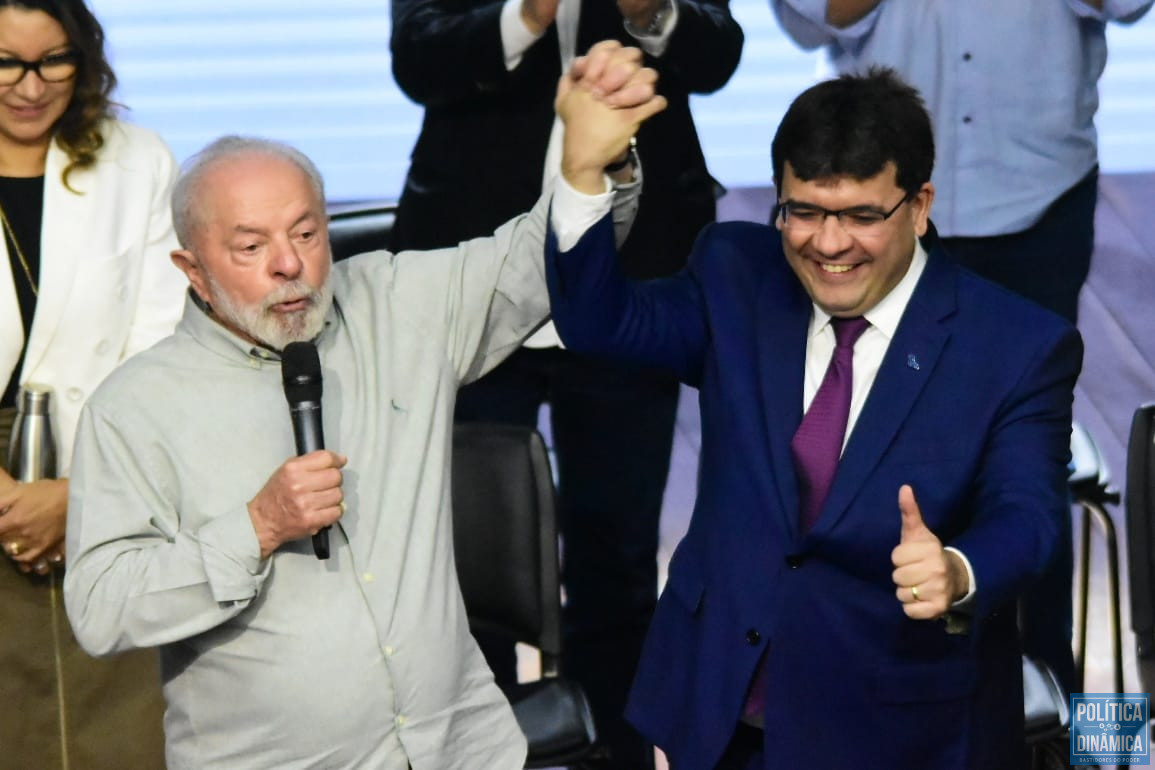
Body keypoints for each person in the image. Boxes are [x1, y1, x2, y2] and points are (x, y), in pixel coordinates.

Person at [62, 42, 665, 769]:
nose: (290, 265)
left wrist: (593, 164)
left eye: (307, 233)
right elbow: (102, 609)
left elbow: (540, 264)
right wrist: (254, 528)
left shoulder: (396, 303)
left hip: (460, 747)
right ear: (191, 268)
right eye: (250, 246)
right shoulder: (135, 408)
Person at [544, 69, 1083, 768]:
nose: (828, 245)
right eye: (802, 211)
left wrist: (956, 568)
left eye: (860, 215)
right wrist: (585, 171)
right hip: (718, 711)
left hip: (894, 727)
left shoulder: (1014, 344)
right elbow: (598, 323)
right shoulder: (735, 271)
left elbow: (1030, 513)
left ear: (918, 206)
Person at [389, 1, 742, 764]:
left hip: (631, 270)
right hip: (473, 266)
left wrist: (656, 14)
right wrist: (531, 11)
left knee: (615, 560)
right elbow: (418, 59)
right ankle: (475, 753)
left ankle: (612, 752)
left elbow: (716, 58)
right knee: (459, 558)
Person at [768, 0, 1153, 695]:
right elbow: (821, 15)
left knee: (1031, 458)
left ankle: (1046, 697)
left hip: (1039, 185)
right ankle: (879, 682)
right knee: (878, 446)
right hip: (883, 209)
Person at [0, 0, 186, 766]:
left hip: (104, 466)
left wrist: (81, 496)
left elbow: (163, 349)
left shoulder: (135, 160)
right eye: (5, 62)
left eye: (55, 61)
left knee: (113, 731)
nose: (31, 85)